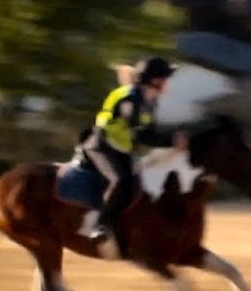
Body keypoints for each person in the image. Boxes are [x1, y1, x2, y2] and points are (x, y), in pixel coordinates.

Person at [79, 56, 189, 244]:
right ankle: (99, 225)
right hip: (100, 146)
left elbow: (150, 132)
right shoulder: (129, 99)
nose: (169, 82)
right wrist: (172, 140)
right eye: (166, 78)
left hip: (120, 149)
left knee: (140, 184)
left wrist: (175, 136)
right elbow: (140, 136)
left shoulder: (150, 101)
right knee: (121, 181)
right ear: (154, 80)